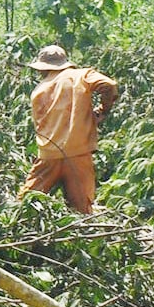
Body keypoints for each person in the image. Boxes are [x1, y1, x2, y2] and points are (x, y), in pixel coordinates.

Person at [20, 44, 120, 214]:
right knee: (81, 210)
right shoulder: (81, 75)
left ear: (43, 68)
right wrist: (103, 110)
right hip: (78, 152)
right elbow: (109, 85)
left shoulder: (39, 90)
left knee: (26, 204)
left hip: (49, 155)